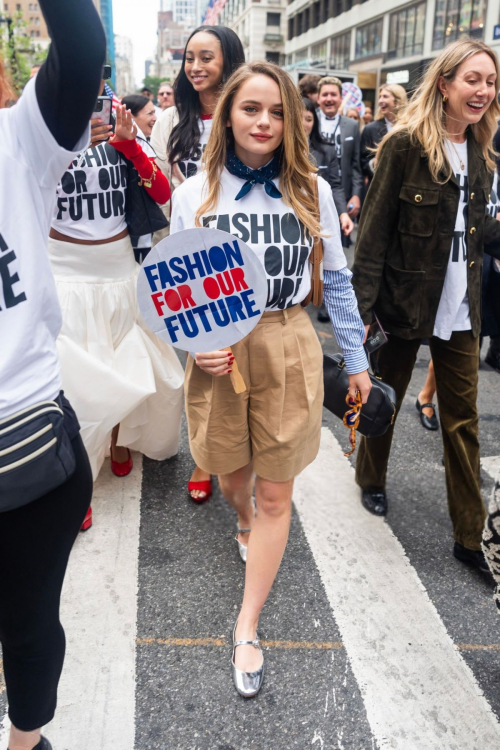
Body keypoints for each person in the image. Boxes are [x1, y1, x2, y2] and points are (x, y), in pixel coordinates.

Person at [170, 60, 371, 698]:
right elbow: (177, 285)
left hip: (288, 338)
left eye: (278, 111)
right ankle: (242, 518)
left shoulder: (311, 187)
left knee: (276, 496)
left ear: (295, 120)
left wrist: (359, 359)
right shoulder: (193, 190)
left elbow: (335, 281)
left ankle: (247, 623)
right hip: (219, 349)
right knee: (233, 476)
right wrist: (193, 343)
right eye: (251, 108)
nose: (264, 122)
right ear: (227, 113)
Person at [351, 38, 500, 577]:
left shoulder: (483, 153)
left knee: (464, 423)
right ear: (445, 83)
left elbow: (480, 232)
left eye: (490, 81)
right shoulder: (404, 146)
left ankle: (469, 537)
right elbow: (371, 239)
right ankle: (370, 478)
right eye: (473, 79)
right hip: (401, 303)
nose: (483, 90)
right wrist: (358, 317)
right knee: (383, 402)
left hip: (461, 309)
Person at [0, 1, 105, 748]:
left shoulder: (18, 141)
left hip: (25, 449)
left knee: (28, 626)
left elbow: (82, 41)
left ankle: (26, 739)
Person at [48, 94, 184, 516]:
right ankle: (77, 474)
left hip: (119, 267)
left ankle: (117, 438)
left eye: (97, 98)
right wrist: (59, 151)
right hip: (65, 272)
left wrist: (128, 145)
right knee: (74, 376)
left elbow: (162, 191)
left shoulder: (124, 133)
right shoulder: (41, 139)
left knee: (126, 360)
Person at [151, 24, 245, 504]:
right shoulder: (171, 120)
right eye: (190, 58)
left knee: (237, 357)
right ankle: (204, 455)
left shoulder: (246, 113)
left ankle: (231, 450)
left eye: (206, 57)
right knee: (200, 358)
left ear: (229, 60)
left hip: (239, 255)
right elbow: (161, 188)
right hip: (188, 256)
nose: (195, 67)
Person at [301, 96, 353, 237]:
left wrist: (343, 214)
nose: (303, 124)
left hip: (319, 218)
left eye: (309, 119)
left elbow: (335, 186)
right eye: (298, 118)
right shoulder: (279, 150)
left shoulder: (327, 149)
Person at [316, 76, 363, 227]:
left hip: (343, 193)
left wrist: (356, 195)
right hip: (314, 192)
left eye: (333, 94)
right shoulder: (309, 122)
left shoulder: (352, 125)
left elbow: (356, 164)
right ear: (318, 98)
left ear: (341, 98)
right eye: (325, 94)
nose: (329, 99)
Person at [361, 84, 408, 184]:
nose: (380, 101)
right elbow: (362, 162)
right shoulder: (370, 129)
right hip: (378, 187)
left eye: (385, 96)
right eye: (380, 97)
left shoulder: (409, 128)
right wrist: (374, 163)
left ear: (397, 101)